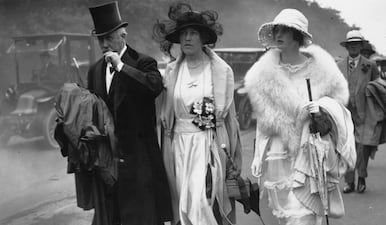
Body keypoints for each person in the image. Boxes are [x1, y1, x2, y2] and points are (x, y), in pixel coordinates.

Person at [246, 9, 356, 225]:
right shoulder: (262, 73)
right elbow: (264, 121)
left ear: (297, 35)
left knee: (303, 216)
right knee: (284, 215)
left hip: (310, 151)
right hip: (278, 151)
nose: (280, 34)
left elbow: (339, 106)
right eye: (277, 29)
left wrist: (323, 108)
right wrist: (259, 154)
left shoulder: (323, 71)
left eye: (286, 30)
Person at [154, 3, 242, 225]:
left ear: (203, 38)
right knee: (184, 203)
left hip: (210, 144)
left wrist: (236, 156)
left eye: (193, 33)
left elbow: (230, 119)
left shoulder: (221, 71)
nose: (188, 38)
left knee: (205, 200)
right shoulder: (173, 72)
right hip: (180, 147)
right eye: (184, 34)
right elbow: (165, 115)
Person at [87, 2, 172, 225]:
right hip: (108, 163)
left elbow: (153, 87)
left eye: (109, 37)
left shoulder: (143, 62)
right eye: (100, 39)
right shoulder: (95, 70)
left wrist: (121, 67)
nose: (104, 44)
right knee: (111, 218)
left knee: (143, 218)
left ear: (123, 34)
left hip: (139, 162)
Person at [337, 30, 380, 194]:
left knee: (363, 148)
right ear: (347, 46)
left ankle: (361, 178)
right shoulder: (339, 66)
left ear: (361, 46)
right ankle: (349, 182)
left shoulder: (370, 65)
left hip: (365, 114)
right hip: (344, 114)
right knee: (347, 147)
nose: (353, 47)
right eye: (350, 44)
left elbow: (379, 87)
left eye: (356, 44)